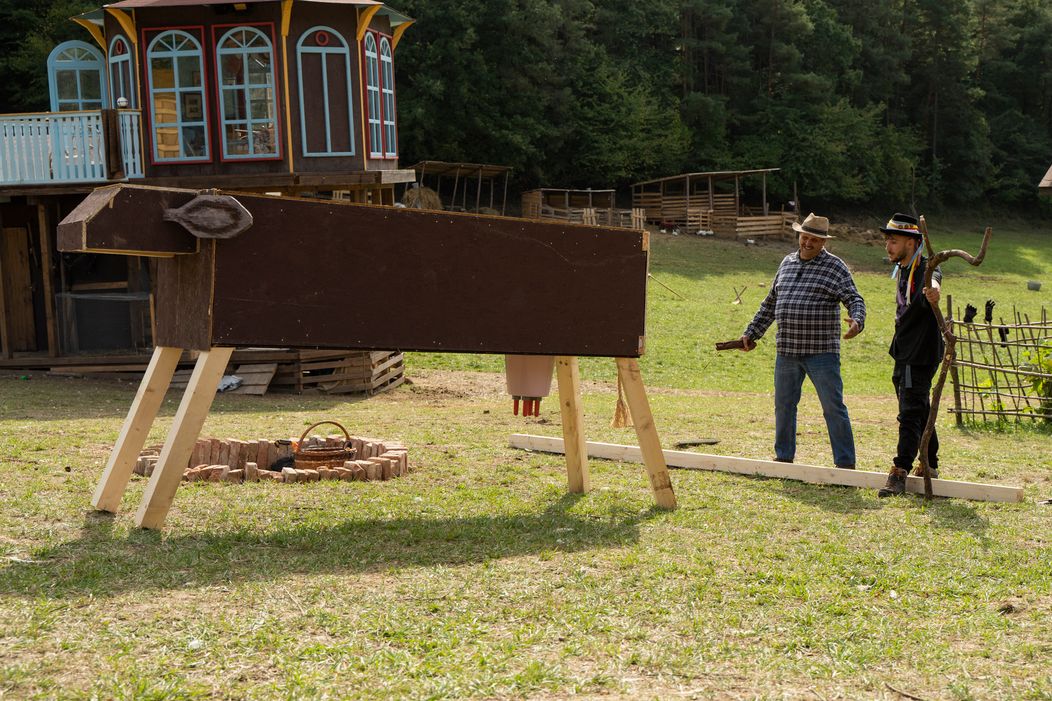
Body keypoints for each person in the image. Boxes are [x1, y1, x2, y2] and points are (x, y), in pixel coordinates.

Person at [740, 212, 866, 469]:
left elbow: (854, 299)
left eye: (815, 240)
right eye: (805, 237)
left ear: (824, 243)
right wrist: (752, 333)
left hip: (822, 352)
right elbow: (770, 303)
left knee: (833, 407)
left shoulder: (836, 267)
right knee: (783, 405)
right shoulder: (786, 263)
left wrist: (857, 321)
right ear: (799, 236)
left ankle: (845, 465)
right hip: (787, 350)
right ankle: (783, 458)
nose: (808, 243)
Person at [878, 213, 943, 497]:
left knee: (909, 411)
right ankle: (931, 463)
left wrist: (934, 292)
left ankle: (900, 470)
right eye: (887, 241)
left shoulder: (925, 266)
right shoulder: (904, 267)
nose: (888, 246)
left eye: (894, 241)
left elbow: (935, 280)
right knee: (918, 407)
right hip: (904, 350)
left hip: (919, 352)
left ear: (911, 241)